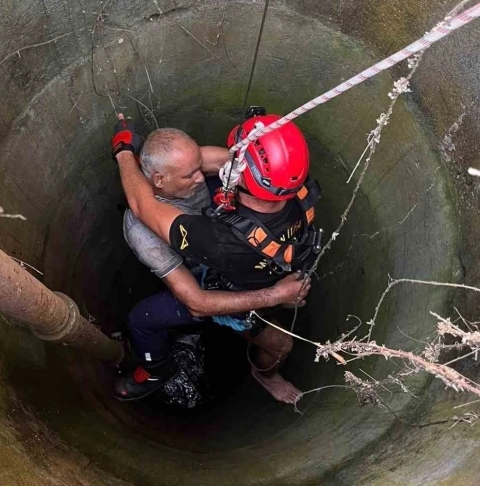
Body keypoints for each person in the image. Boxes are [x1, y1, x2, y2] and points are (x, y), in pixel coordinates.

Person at [112, 112, 322, 404]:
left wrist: (125, 150)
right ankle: (157, 370)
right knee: (140, 321)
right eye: (190, 174)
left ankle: (264, 374)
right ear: (159, 179)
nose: (202, 178)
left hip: (227, 259)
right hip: (203, 282)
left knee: (280, 346)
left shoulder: (192, 171)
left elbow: (227, 161)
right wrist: (275, 295)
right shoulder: (142, 229)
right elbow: (196, 303)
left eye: (199, 166)